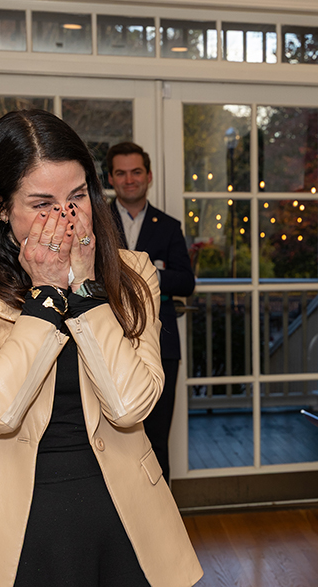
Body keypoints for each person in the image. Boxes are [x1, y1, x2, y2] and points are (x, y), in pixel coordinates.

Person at [0, 110, 201, 587]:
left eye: (76, 197)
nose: (64, 219)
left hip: (122, 512)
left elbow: (130, 406)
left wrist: (86, 292)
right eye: (41, 203)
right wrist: (47, 294)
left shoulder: (133, 272)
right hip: (2, 519)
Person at [105, 141, 195, 482]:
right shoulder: (94, 222)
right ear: (111, 179)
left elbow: (185, 281)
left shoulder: (168, 226)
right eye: (121, 173)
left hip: (161, 345)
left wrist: (143, 272)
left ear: (149, 176)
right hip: (105, 342)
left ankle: (163, 529)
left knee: (157, 440)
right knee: (111, 442)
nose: (129, 180)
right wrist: (153, 269)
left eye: (136, 172)